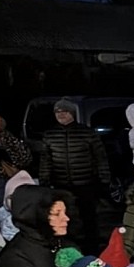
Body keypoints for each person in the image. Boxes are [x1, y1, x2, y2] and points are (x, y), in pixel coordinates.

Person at [40, 98, 110, 252]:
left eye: (64, 111)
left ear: (72, 113)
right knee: (65, 217)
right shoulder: (50, 134)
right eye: (58, 112)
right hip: (61, 184)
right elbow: (46, 160)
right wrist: (44, 180)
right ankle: (67, 246)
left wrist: (104, 180)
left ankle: (92, 248)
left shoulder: (87, 132)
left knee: (89, 217)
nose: (61, 114)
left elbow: (100, 157)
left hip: (85, 183)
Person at [0, 110, 32, 182]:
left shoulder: (10, 138)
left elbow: (26, 159)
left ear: (0, 124)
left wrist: (10, 156)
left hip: (14, 178)